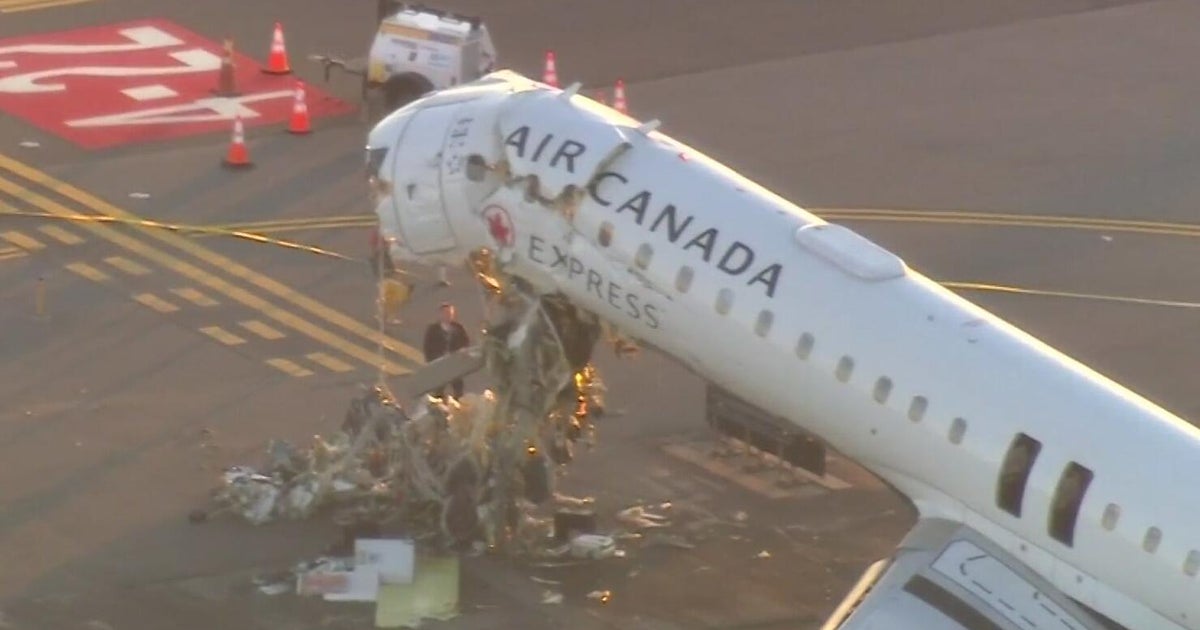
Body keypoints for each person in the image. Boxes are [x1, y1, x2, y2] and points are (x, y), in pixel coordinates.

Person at [423, 302, 470, 399]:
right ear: (440, 315)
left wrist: (463, 350)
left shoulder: (458, 328)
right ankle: (439, 408)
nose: (448, 316)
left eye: (450, 314)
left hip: (455, 361)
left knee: (458, 387)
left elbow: (465, 341)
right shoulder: (433, 330)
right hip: (440, 362)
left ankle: (458, 406)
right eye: (446, 313)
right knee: (439, 388)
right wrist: (431, 363)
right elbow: (427, 347)